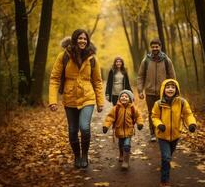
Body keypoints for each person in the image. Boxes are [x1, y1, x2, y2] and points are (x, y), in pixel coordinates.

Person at [49, 29, 104, 168]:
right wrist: (52, 100)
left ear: (88, 41)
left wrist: (100, 101)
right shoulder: (64, 56)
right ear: (74, 39)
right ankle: (77, 156)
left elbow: (97, 81)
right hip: (70, 97)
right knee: (73, 130)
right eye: (80, 38)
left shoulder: (92, 57)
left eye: (85, 39)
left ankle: (85, 155)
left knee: (84, 127)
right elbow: (55, 78)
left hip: (87, 97)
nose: (82, 41)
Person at [151, 79, 197, 187]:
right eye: (168, 87)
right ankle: (164, 181)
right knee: (166, 157)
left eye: (173, 87)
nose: (170, 89)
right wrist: (159, 124)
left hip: (175, 135)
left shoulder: (181, 102)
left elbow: (188, 114)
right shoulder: (159, 104)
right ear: (163, 89)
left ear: (176, 89)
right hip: (162, 135)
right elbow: (154, 117)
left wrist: (191, 124)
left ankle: (164, 167)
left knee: (168, 157)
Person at [137, 38, 176, 142]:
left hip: (164, 92)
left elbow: (172, 77)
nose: (155, 48)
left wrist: (173, 91)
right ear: (151, 48)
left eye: (157, 46)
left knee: (164, 112)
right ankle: (153, 133)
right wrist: (140, 90)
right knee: (151, 113)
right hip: (149, 92)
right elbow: (140, 76)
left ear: (160, 47)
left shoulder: (166, 60)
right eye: (153, 47)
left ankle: (163, 132)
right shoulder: (146, 60)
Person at [102, 90, 143, 170]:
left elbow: (138, 116)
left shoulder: (133, 108)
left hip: (129, 130)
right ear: (119, 98)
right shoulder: (116, 108)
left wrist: (140, 124)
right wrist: (106, 126)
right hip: (119, 130)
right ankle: (121, 153)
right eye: (122, 96)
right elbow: (110, 117)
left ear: (130, 99)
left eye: (126, 96)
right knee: (121, 144)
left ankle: (126, 161)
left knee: (127, 145)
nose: (124, 97)